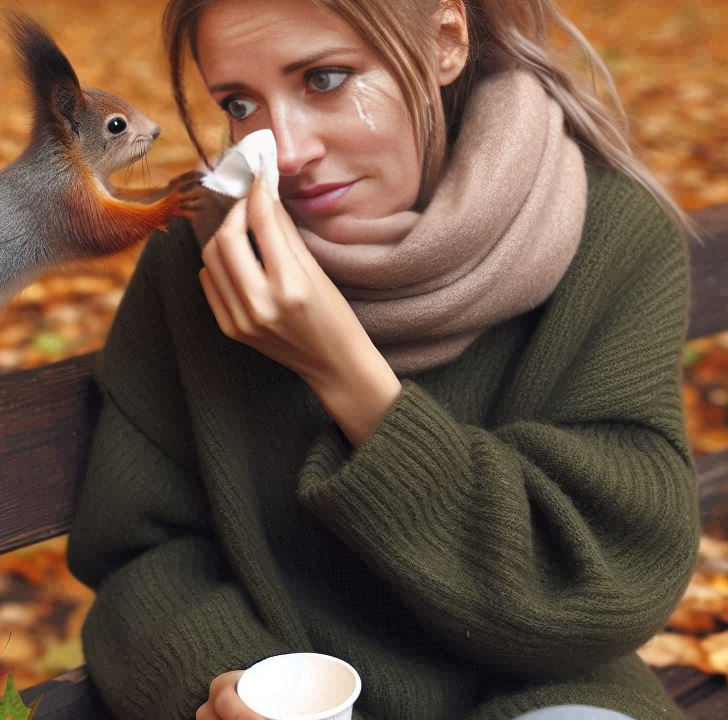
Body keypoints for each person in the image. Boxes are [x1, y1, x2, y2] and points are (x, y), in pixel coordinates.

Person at [65, 1, 702, 719]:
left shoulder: (611, 237)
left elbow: (604, 578)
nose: (288, 149)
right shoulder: (199, 260)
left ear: (444, 42)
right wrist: (219, 681)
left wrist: (343, 371)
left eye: (325, 79)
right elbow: (140, 555)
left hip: (550, 694)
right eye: (239, 103)